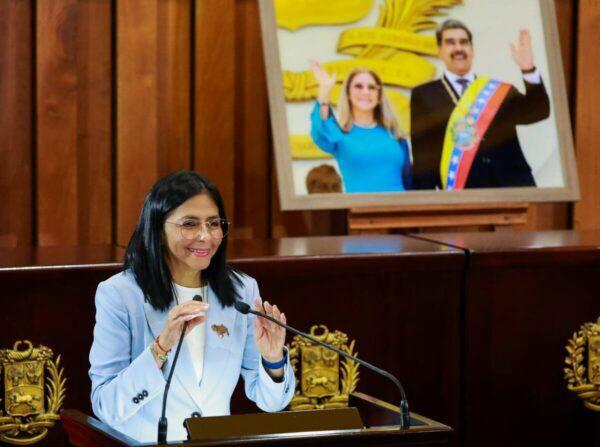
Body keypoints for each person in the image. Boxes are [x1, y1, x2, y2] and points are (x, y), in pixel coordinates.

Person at [89, 171, 295, 443]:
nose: (205, 236)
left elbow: (271, 402)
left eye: (214, 223)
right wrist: (160, 348)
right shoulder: (120, 294)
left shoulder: (242, 290)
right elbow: (106, 407)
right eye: (189, 224)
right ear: (158, 229)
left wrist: (272, 359)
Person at [410, 20, 550, 190]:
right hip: (463, 189)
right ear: (439, 51)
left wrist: (528, 70)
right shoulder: (424, 94)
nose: (458, 48)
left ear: (472, 49)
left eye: (464, 42)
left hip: (512, 184)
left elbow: (538, 111)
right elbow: (423, 156)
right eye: (450, 43)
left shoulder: (497, 90)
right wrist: (427, 197)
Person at [309, 60, 411, 193]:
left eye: (371, 87)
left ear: (379, 96)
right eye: (358, 86)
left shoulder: (396, 135)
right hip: (360, 206)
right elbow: (321, 130)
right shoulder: (339, 135)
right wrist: (324, 91)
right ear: (348, 94)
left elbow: (410, 183)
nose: (365, 92)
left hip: (400, 205)